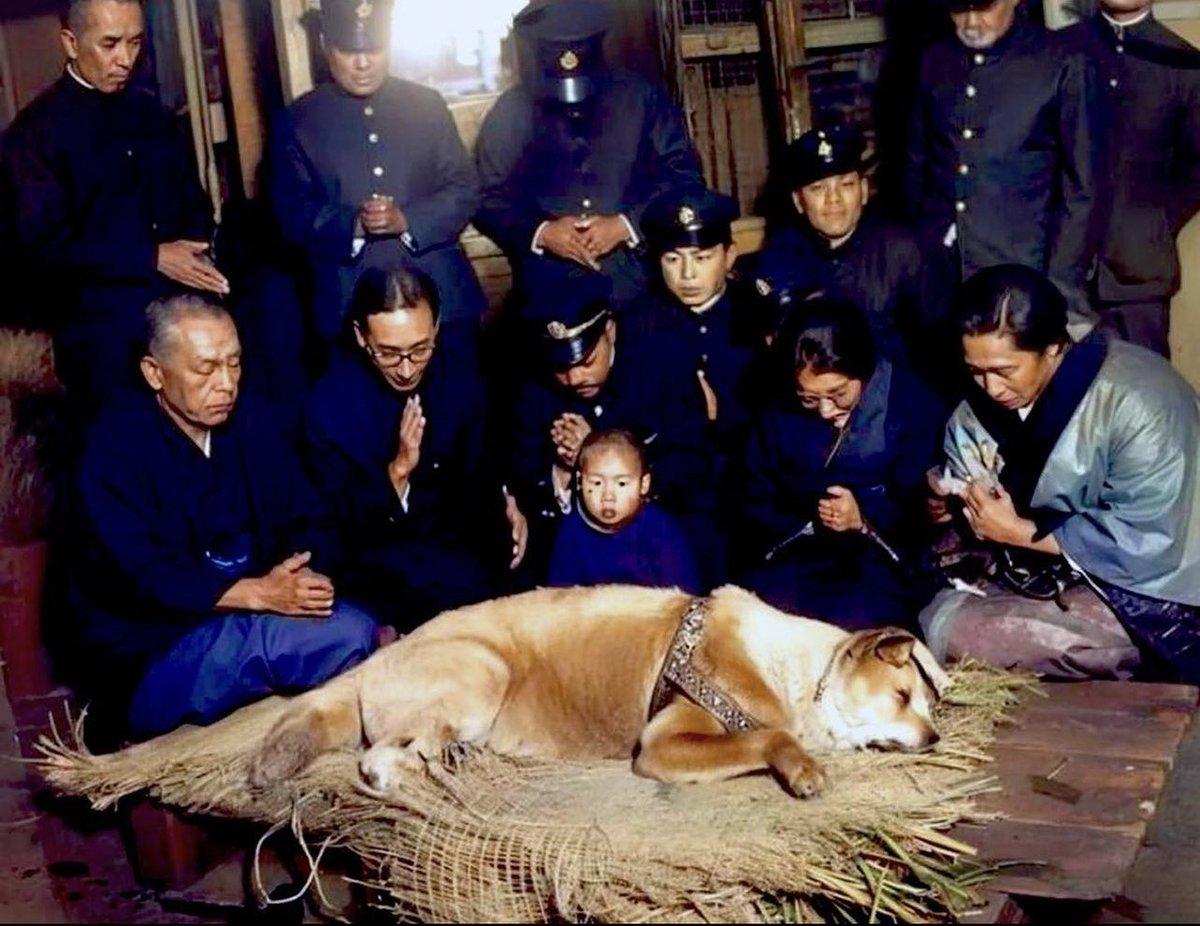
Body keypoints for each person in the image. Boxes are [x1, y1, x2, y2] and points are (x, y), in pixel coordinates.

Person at [60, 296, 379, 740]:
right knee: (340, 638)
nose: (226, 384)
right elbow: (140, 575)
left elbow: (308, 515)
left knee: (357, 624)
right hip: (154, 647)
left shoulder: (253, 423)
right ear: (154, 372)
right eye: (206, 369)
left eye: (234, 363)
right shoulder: (111, 450)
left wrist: (303, 576)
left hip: (250, 619)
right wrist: (257, 593)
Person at [922, 264, 1200, 682]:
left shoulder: (1139, 400)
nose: (990, 388)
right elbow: (967, 460)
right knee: (936, 607)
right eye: (976, 371)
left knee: (957, 632)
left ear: (1053, 347)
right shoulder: (988, 402)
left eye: (1004, 371)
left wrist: (1019, 532)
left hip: (1160, 586)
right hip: (1057, 567)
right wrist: (952, 498)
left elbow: (1153, 539)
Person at [0, 0, 228, 408]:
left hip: (180, 327)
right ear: (71, 43)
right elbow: (43, 249)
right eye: (110, 44)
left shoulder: (154, 115)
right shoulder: (33, 135)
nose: (126, 59)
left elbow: (195, 207)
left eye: (135, 42)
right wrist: (151, 256)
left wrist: (198, 253)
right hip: (100, 344)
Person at [304, 268, 527, 630]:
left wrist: (507, 500)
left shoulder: (462, 378)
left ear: (436, 327)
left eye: (420, 350)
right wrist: (397, 473)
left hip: (456, 550)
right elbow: (334, 526)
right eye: (389, 353)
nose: (407, 370)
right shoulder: (329, 407)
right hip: (377, 564)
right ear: (361, 336)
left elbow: (486, 465)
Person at [268, 0, 485, 355]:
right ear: (325, 45)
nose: (363, 63)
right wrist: (353, 225)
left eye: (374, 49)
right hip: (347, 308)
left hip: (445, 304)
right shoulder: (298, 120)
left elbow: (465, 188)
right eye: (349, 50)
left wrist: (408, 221)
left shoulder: (427, 105)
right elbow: (289, 214)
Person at [474, 0, 703, 306]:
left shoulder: (642, 98)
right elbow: (486, 197)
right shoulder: (511, 110)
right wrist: (542, 232)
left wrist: (626, 224)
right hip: (550, 295)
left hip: (640, 287)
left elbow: (684, 176)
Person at [735, 297, 945, 629]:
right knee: (766, 619)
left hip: (880, 558)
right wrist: (809, 512)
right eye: (809, 398)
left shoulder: (911, 403)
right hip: (797, 551)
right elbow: (754, 496)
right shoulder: (777, 409)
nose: (825, 410)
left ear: (864, 368)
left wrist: (863, 519)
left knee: (858, 624)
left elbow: (922, 511)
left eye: (838, 394)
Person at [903, 0, 1108, 338]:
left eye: (985, 7)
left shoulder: (1063, 61)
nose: (971, 23)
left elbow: (1084, 190)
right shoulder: (934, 61)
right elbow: (916, 167)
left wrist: (1061, 289)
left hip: (1024, 274)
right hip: (943, 276)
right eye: (959, 9)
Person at [505, 268, 718, 584]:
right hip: (575, 544)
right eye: (561, 367)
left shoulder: (661, 365)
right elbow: (521, 471)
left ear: (610, 330)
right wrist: (563, 471)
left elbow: (696, 460)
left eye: (586, 361)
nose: (574, 378)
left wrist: (601, 455)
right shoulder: (532, 387)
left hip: (660, 532)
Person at [756, 124, 948, 385]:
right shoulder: (781, 255)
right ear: (799, 201)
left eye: (846, 185)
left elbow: (936, 349)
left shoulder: (903, 251)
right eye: (818, 188)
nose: (833, 199)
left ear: (864, 190)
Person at [1061, 0, 1200, 356]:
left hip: (1138, 275)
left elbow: (1196, 169)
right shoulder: (1059, 50)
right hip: (1061, 272)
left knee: (1143, 381)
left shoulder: (1183, 63)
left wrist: (1155, 221)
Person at [633, 186, 760, 464]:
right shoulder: (639, 324)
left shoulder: (758, 314)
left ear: (729, 256)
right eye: (672, 259)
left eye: (701, 258)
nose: (687, 274)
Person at [548, 429, 701, 592]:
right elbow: (558, 597)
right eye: (596, 483)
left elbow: (684, 598)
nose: (608, 496)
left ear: (644, 484)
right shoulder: (571, 529)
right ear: (580, 481)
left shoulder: (660, 529)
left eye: (621, 484)